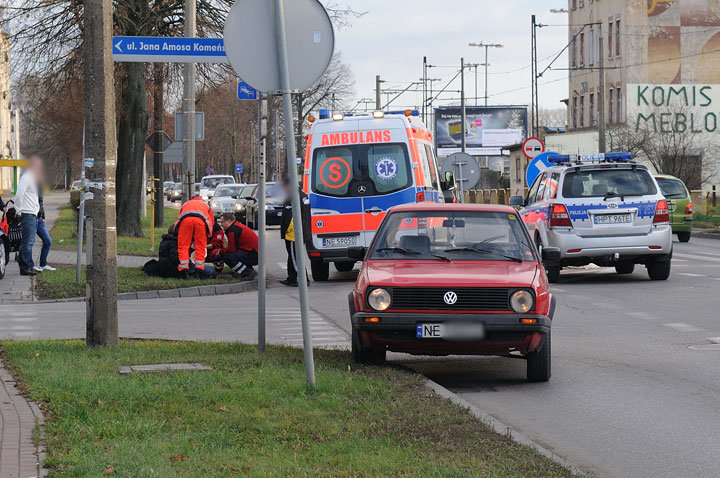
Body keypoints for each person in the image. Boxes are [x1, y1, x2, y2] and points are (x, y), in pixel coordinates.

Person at [279, 177, 311, 286]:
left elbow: (291, 218)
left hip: (293, 234)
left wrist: (286, 232)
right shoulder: (302, 195)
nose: (284, 190)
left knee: (295, 257)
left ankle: (303, 279)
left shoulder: (295, 197)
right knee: (292, 256)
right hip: (299, 232)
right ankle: (291, 278)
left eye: (285, 188)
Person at [14, 156, 43, 276]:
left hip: (32, 214)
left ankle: (29, 265)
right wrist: (18, 210)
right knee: (27, 242)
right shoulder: (26, 178)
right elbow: (19, 194)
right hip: (27, 214)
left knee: (30, 242)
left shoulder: (32, 178)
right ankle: (24, 268)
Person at [175, 194, 214, 279]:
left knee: (183, 246)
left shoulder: (186, 204)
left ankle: (184, 270)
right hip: (200, 222)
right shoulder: (206, 205)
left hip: (185, 222)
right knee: (200, 247)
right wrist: (208, 235)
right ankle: (199, 270)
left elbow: (180, 217)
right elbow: (211, 221)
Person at [218, 212, 258, 278]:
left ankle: (247, 272)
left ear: (228, 221)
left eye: (222, 222)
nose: (221, 225)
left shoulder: (233, 230)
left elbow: (231, 249)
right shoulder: (237, 226)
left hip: (253, 254)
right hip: (254, 253)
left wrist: (220, 253)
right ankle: (249, 270)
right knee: (234, 255)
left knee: (228, 258)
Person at [34, 184, 55, 272]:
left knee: (47, 241)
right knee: (28, 243)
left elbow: (40, 202)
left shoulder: (40, 186)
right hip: (31, 217)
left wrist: (43, 215)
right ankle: (27, 265)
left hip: (39, 218)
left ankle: (43, 264)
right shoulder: (30, 183)